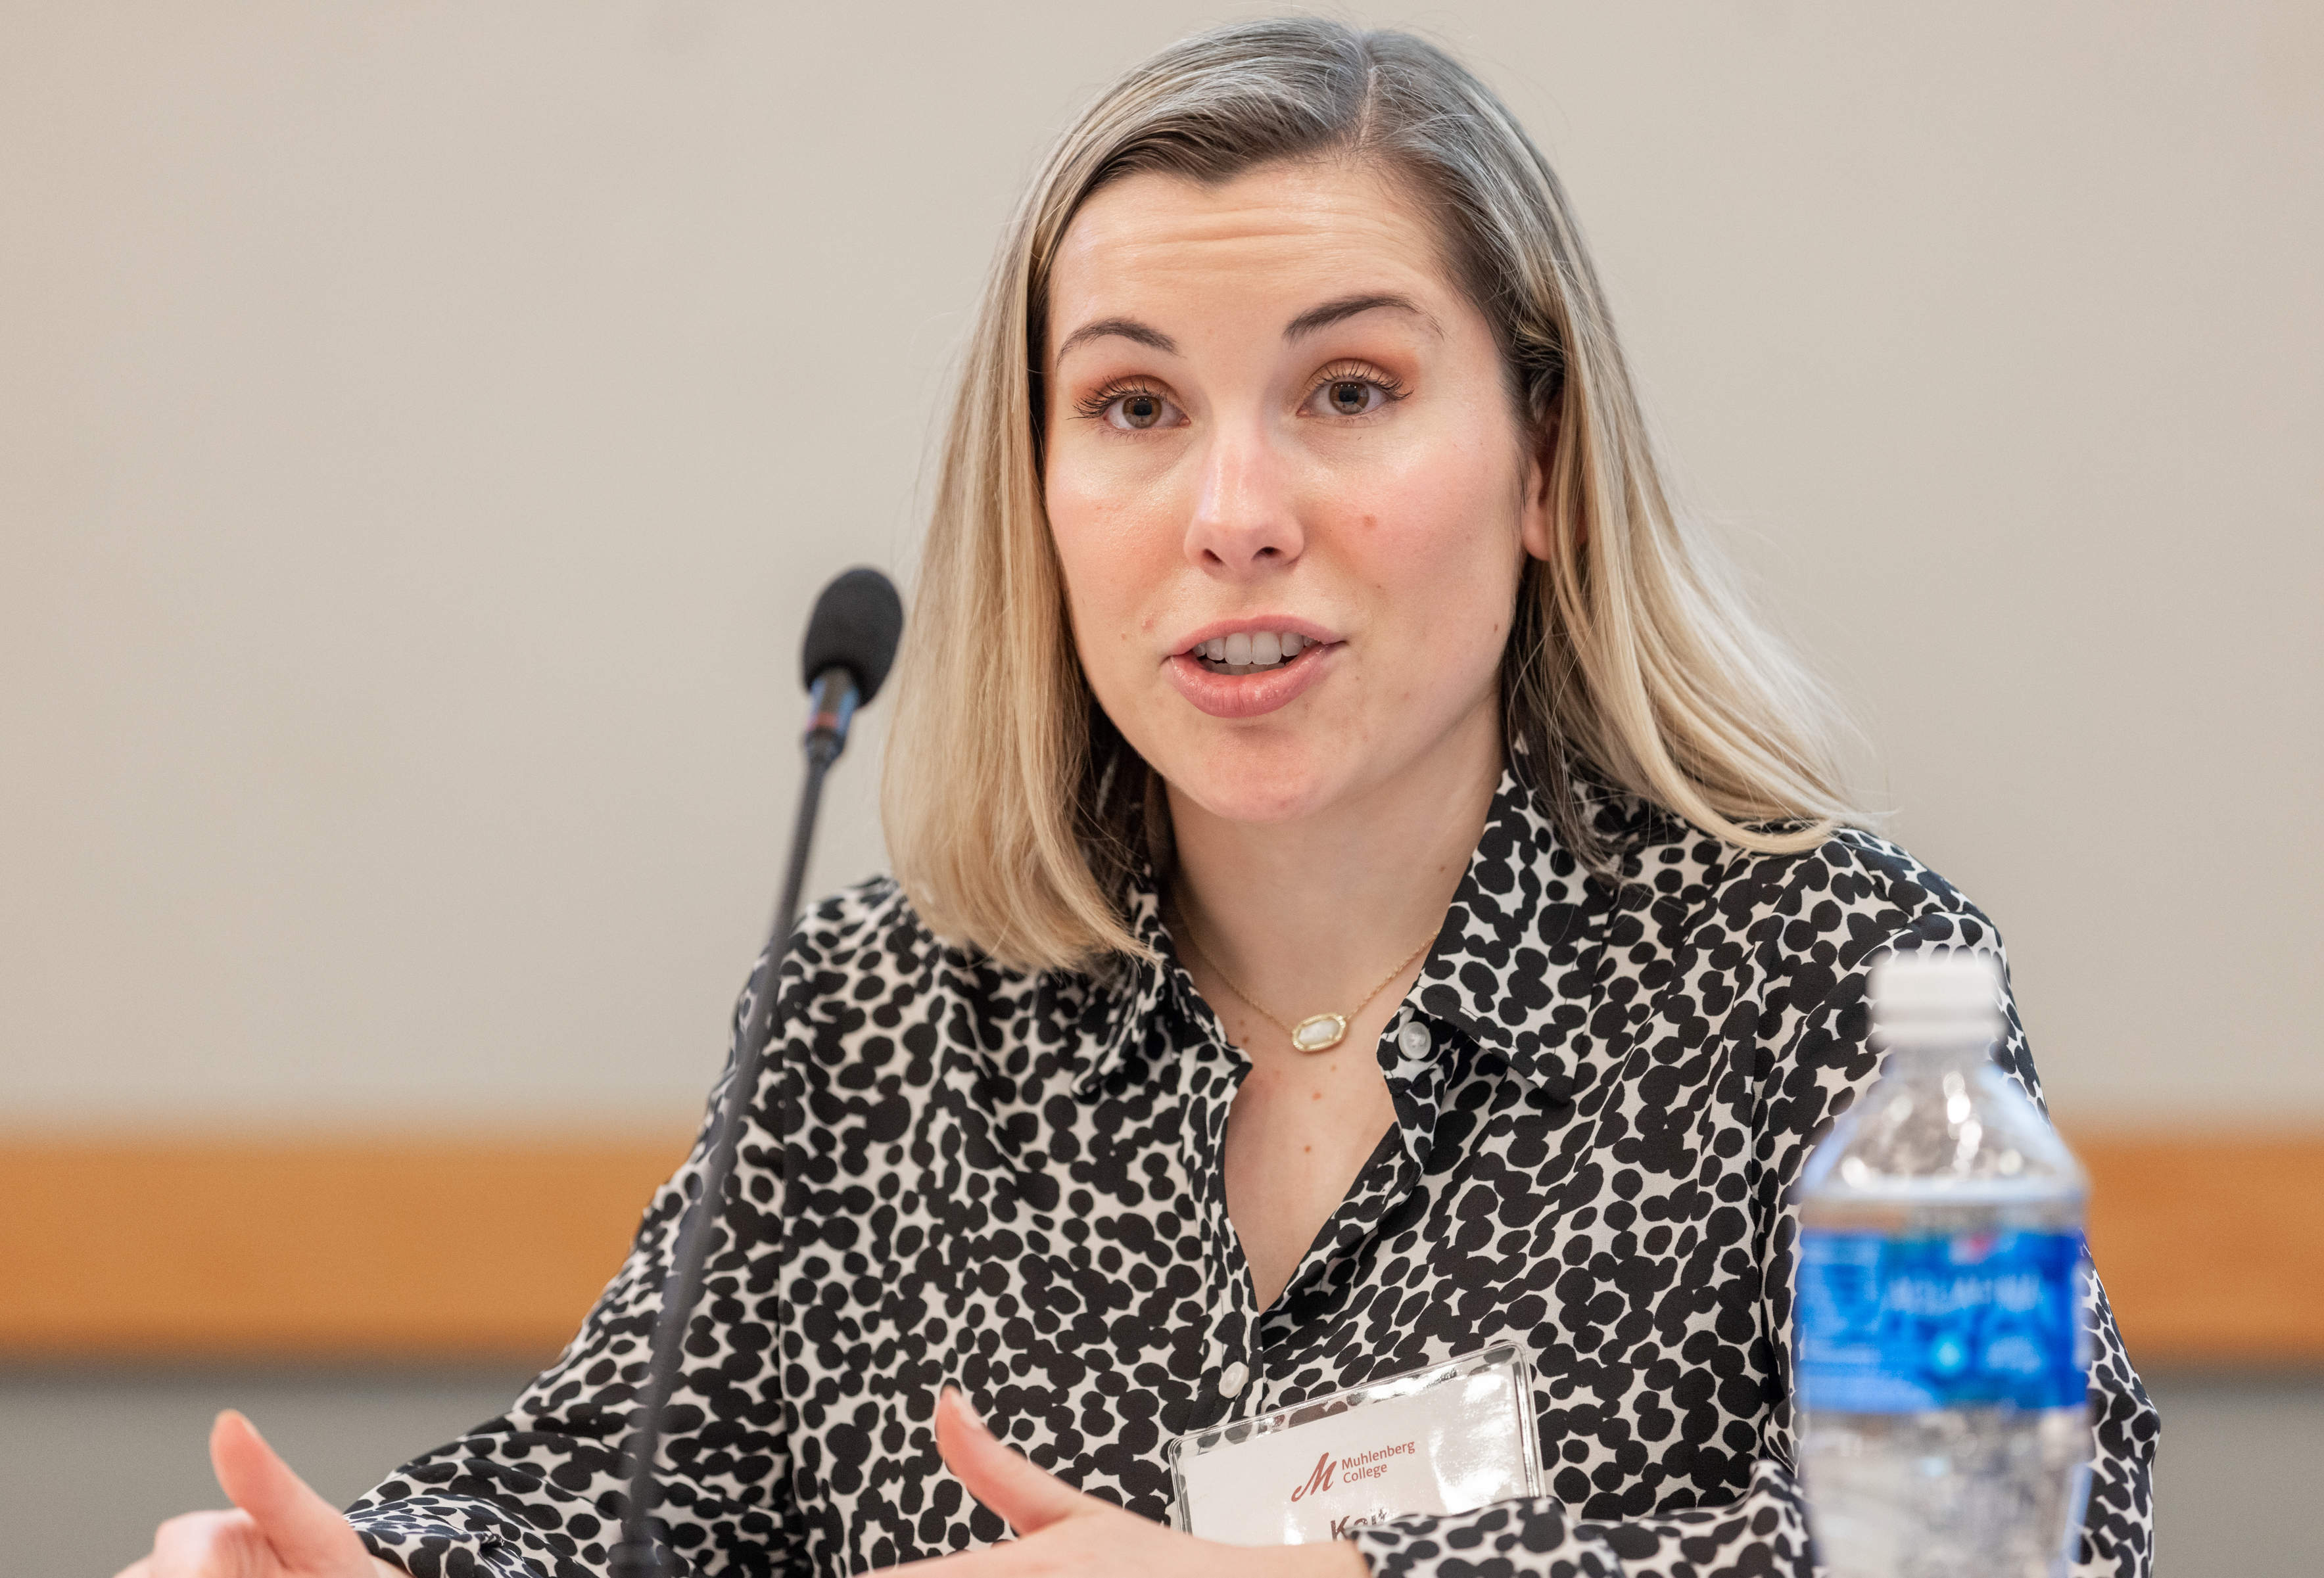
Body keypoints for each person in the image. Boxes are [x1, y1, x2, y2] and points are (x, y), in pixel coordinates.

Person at [118, 18, 2156, 1578]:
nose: (1235, 514)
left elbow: (2023, 1545)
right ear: (1042, 491)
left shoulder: (1827, 981)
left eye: (1347, 391)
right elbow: (624, 1491)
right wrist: (369, 1566)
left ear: (1543, 463)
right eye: (1133, 408)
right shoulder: (882, 1026)